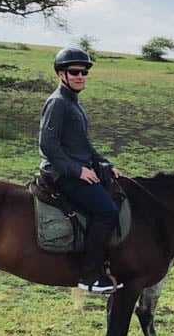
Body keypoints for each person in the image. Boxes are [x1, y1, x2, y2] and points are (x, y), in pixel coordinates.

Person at [38, 46, 121, 295]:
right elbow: (48, 146)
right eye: (74, 71)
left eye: (84, 72)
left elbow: (83, 146)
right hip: (61, 174)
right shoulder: (57, 103)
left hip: (76, 169)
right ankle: (90, 276)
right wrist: (78, 171)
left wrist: (104, 163)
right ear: (60, 74)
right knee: (107, 211)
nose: (80, 76)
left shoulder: (74, 103)